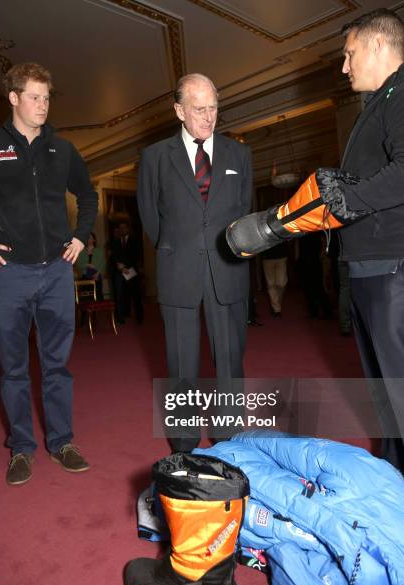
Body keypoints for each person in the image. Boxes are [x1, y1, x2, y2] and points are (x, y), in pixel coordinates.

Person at [0, 62, 97, 484]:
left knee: (56, 367)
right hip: (8, 275)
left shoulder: (62, 149)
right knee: (12, 369)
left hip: (56, 274)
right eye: (34, 97)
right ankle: (21, 449)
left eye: (47, 98)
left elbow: (87, 195)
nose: (42, 105)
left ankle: (62, 441)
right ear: (13, 98)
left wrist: (82, 235)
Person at [137, 73, 252, 451]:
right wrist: (177, 248)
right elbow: (151, 219)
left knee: (230, 364)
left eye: (214, 107)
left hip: (227, 269)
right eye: (199, 109)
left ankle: (229, 438)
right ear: (179, 110)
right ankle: (184, 443)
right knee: (181, 366)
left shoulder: (240, 154)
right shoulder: (154, 157)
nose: (209, 116)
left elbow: (243, 210)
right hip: (178, 270)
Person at [339, 9, 404, 471]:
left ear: (378, 46)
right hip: (368, 267)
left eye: (350, 53)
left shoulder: (401, 95)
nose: (345, 66)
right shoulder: (380, 102)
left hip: (391, 268)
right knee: (381, 391)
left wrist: (347, 197)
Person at [109, 221, 144, 324]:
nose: (122, 229)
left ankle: (139, 318)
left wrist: (125, 266)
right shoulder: (115, 242)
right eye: (120, 228)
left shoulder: (135, 241)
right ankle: (120, 319)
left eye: (124, 227)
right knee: (119, 295)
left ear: (128, 229)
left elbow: (136, 255)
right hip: (119, 271)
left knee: (135, 295)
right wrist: (119, 266)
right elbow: (113, 257)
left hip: (131, 270)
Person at [75, 231, 105, 299]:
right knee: (86, 297)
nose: (89, 239)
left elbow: (103, 264)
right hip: (84, 277)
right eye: (88, 238)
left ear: (94, 240)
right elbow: (78, 264)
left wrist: (97, 274)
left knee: (98, 296)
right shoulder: (81, 251)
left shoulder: (99, 251)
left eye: (91, 238)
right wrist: (87, 265)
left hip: (96, 276)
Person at [262, 243, 288, 317]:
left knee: (281, 284)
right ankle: (277, 309)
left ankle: (276, 304)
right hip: (267, 257)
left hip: (282, 255)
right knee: (271, 285)